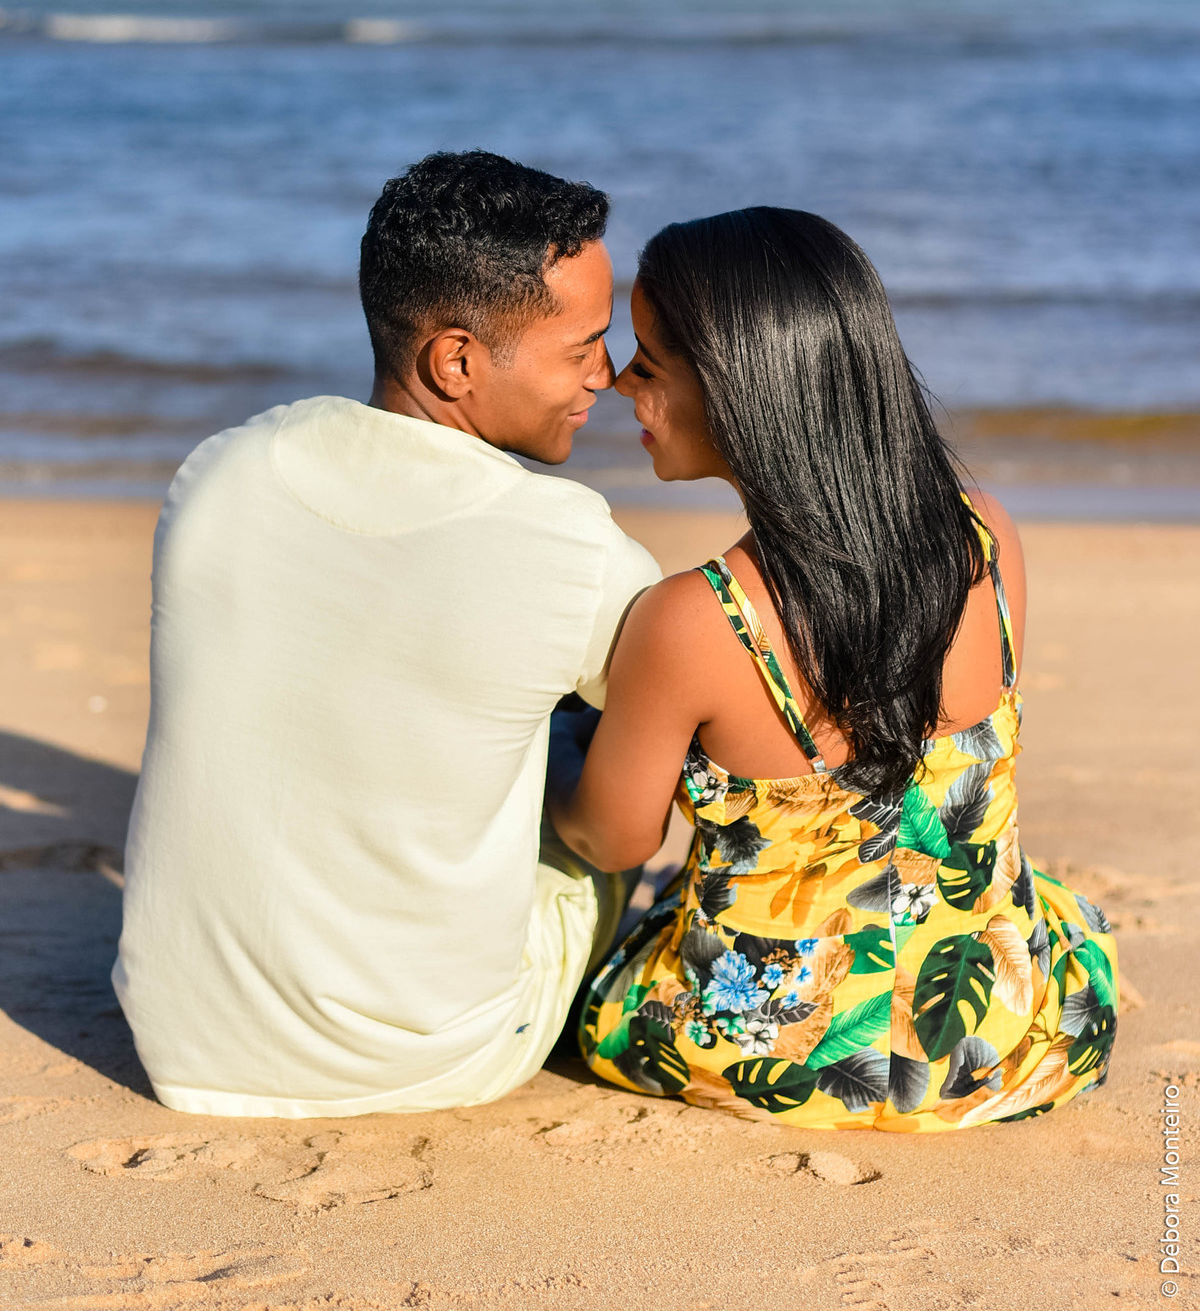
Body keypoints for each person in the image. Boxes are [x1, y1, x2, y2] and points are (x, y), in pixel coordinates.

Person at [114, 151, 660, 1118]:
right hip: (432, 1057)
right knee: (604, 751)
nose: (605, 376)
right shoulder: (568, 541)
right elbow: (661, 771)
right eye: (582, 346)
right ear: (455, 360)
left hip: (181, 1042)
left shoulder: (219, 472)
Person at [553, 207, 1118, 1130]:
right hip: (998, 1038)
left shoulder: (694, 620)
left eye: (649, 361)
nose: (619, 382)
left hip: (777, 1056)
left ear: (742, 390)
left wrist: (556, 751)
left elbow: (610, 839)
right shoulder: (987, 534)